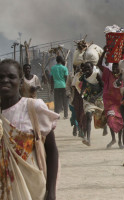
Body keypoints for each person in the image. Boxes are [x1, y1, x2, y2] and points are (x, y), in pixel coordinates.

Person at [0, 59, 59, 200]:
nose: (5, 80)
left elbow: (52, 151)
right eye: (0, 77)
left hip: (32, 189)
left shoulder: (34, 107)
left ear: (21, 82)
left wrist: (51, 192)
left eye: (11, 77)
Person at [97, 47, 124, 149]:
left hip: (120, 102)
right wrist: (104, 52)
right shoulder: (108, 73)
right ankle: (113, 139)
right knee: (111, 119)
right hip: (110, 102)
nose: (115, 68)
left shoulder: (123, 75)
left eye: (117, 67)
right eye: (114, 67)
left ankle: (120, 141)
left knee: (121, 120)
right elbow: (99, 64)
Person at [80, 62, 107, 146]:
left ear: (92, 67)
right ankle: (88, 138)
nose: (87, 70)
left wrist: (95, 97)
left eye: (89, 68)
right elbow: (83, 90)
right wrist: (84, 96)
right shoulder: (83, 77)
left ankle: (104, 126)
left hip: (98, 98)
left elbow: (103, 88)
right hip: (89, 100)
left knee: (102, 116)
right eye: (86, 68)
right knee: (88, 116)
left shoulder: (97, 75)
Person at [66, 65, 81, 137]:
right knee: (74, 114)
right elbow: (67, 86)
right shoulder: (70, 76)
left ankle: (80, 129)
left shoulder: (83, 75)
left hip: (82, 97)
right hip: (73, 97)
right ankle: (75, 125)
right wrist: (68, 93)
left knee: (81, 114)